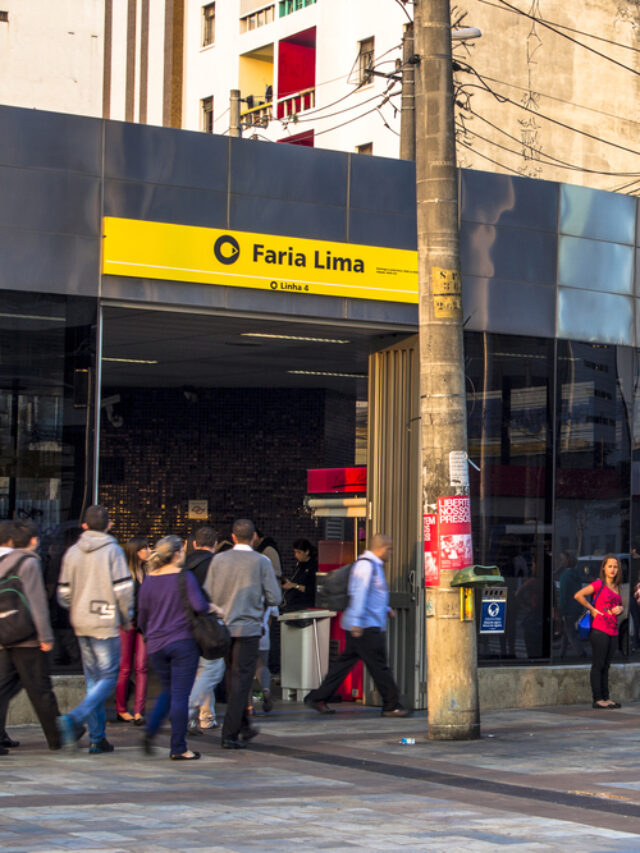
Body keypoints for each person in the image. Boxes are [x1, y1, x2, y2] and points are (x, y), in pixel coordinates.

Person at [304, 534, 410, 717]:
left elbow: (372, 594)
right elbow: (359, 595)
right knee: (379, 666)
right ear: (382, 548)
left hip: (364, 624)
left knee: (344, 664)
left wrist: (385, 608)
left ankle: (318, 697)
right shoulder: (366, 566)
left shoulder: (372, 566)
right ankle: (391, 704)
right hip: (365, 626)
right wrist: (357, 623)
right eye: (390, 549)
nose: (391, 553)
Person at [56, 505, 134, 754]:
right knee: (108, 677)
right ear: (109, 525)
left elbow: (63, 593)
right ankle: (76, 717)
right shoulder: (113, 551)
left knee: (93, 679)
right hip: (106, 621)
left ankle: (97, 737)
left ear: (85, 526)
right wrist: (126, 617)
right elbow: (124, 590)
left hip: (80, 622)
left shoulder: (72, 553)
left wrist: (77, 605)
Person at [204, 518, 282, 749]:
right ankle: (230, 733)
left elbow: (206, 593)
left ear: (234, 536)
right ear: (254, 537)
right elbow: (275, 597)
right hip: (249, 628)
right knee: (242, 680)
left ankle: (243, 726)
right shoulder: (262, 561)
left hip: (223, 626)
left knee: (230, 676)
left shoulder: (218, 560)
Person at [137, 535, 214, 760]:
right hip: (182, 643)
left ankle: (150, 731)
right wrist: (214, 608)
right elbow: (199, 606)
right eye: (182, 550)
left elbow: (141, 616)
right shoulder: (184, 577)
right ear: (176, 554)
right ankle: (179, 747)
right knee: (180, 694)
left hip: (155, 644)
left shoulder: (149, 580)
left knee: (168, 689)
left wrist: (148, 635)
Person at [0, 520, 62, 753]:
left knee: (3, 687)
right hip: (28, 637)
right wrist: (46, 635)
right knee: (40, 689)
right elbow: (37, 602)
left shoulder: (3, 563)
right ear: (34, 541)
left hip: (7, 635)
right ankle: (59, 737)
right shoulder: (28, 564)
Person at [185, 526, 225, 733]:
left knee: (195, 671)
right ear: (215, 544)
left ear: (194, 544)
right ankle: (203, 715)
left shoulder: (184, 565)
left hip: (186, 625)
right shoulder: (217, 564)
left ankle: (202, 714)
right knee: (211, 669)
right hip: (209, 624)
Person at [574, 553, 624, 710]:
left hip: (613, 630)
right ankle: (597, 699)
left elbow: (619, 606)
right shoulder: (598, 584)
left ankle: (606, 697)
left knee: (607, 665)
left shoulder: (617, 587)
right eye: (610, 566)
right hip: (599, 629)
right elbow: (578, 595)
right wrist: (592, 609)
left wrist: (620, 608)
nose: (613, 569)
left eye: (615, 566)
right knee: (598, 664)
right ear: (604, 567)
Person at [115, 536, 150, 724]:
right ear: (136, 552)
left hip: (144, 624)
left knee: (142, 666)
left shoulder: (148, 572)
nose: (149, 551)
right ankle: (121, 708)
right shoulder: (124, 573)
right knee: (125, 667)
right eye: (145, 548)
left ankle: (139, 711)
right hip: (127, 623)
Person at [557, 551, 587, 658]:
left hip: (568, 609)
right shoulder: (575, 574)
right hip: (577, 607)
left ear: (567, 561)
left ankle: (581, 653)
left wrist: (561, 610)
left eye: (562, 560)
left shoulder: (565, 576)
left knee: (570, 633)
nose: (561, 562)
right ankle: (561, 653)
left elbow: (563, 595)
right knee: (567, 631)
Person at [282, 539, 317, 612]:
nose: (296, 555)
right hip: (293, 602)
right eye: (295, 552)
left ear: (307, 552)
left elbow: (312, 589)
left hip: (305, 604)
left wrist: (295, 586)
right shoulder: (299, 566)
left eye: (299, 552)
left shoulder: (313, 567)